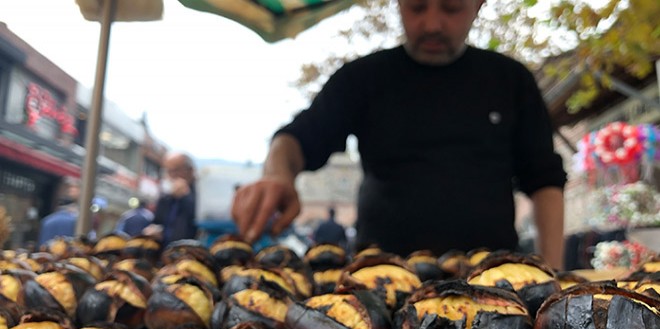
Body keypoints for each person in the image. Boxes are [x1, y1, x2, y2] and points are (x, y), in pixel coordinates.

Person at [231, 0, 567, 269]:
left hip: (490, 279)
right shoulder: (362, 79)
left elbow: (544, 180)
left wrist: (552, 269)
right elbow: (296, 139)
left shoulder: (511, 80)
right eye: (417, 7)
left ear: (478, 5)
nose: (432, 24)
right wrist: (276, 174)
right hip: (381, 278)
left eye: (451, 8)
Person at [144, 152, 198, 247]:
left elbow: (197, 219)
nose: (173, 175)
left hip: (190, 251)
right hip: (165, 251)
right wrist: (153, 231)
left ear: (190, 170)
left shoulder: (200, 193)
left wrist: (186, 196)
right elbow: (157, 222)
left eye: (176, 170)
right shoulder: (166, 197)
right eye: (169, 171)